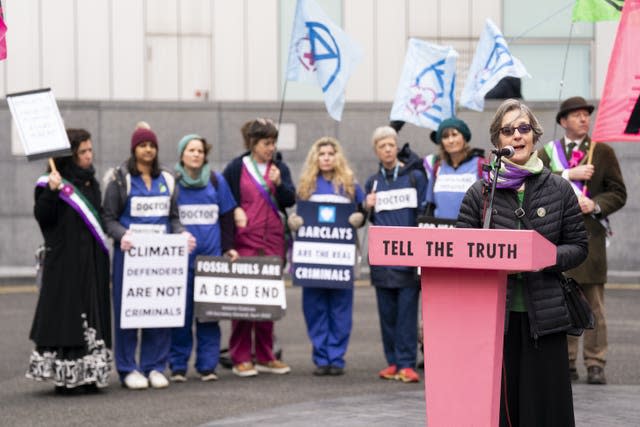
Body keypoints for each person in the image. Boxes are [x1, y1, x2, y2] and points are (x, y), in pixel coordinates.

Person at [457, 99, 588, 426]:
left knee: (543, 408)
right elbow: (461, 247)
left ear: (535, 136)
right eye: (508, 130)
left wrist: (542, 258)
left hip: (544, 317)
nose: (517, 135)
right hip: (494, 319)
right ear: (497, 141)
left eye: (524, 128)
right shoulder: (480, 193)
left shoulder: (558, 189)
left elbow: (578, 246)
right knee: (502, 407)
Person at [538, 96, 627, 385]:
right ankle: (566, 361)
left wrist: (596, 204)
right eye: (576, 115)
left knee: (594, 306)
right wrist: (567, 173)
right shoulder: (547, 153)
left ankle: (596, 360)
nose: (583, 119)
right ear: (563, 121)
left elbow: (618, 192)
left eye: (585, 115)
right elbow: (535, 180)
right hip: (557, 239)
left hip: (590, 240)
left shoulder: (602, 153)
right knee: (560, 304)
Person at [103, 124, 195, 390]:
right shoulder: (120, 179)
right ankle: (128, 367)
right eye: (143, 145)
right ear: (134, 149)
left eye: (152, 145)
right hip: (130, 257)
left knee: (160, 309)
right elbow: (107, 218)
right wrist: (122, 235)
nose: (148, 150)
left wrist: (182, 234)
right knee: (128, 311)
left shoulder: (166, 178)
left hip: (161, 258)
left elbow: (173, 217)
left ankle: (155, 366)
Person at [27, 128, 112, 392]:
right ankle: (67, 376)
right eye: (83, 152)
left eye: (90, 150)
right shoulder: (51, 183)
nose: (89, 156)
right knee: (68, 317)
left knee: (92, 314)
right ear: (71, 155)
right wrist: (52, 192)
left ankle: (90, 374)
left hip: (91, 260)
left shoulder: (90, 182)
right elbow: (43, 217)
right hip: (65, 261)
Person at [222, 118, 296, 377]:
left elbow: (289, 199)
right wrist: (236, 212)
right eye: (266, 143)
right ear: (253, 143)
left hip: (273, 239)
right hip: (246, 239)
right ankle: (240, 355)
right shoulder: (236, 167)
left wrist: (280, 184)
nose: (271, 148)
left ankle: (266, 354)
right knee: (243, 299)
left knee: (268, 298)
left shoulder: (280, 168)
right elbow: (226, 201)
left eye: (274, 142)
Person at [287, 137, 365, 376]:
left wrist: (359, 217)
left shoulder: (350, 184)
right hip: (313, 260)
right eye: (322, 154)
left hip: (339, 260)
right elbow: (297, 213)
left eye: (331, 153)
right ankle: (321, 357)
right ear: (315, 158)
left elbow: (365, 209)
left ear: (337, 157)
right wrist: (294, 222)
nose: (327, 158)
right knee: (315, 309)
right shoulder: (306, 185)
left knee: (341, 310)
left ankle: (336, 358)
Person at [168, 134, 238, 383]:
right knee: (181, 317)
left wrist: (228, 246)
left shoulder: (216, 181)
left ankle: (207, 366)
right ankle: (178, 366)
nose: (196, 154)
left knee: (209, 316)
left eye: (200, 150)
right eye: (191, 150)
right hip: (180, 262)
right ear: (182, 154)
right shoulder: (172, 183)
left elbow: (227, 216)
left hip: (210, 261)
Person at [364, 125, 427, 383]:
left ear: (397, 146)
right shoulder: (373, 182)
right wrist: (365, 206)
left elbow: (424, 212)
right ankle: (392, 362)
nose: (387, 149)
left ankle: (406, 363)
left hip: (409, 260)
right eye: (382, 146)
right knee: (387, 315)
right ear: (376, 151)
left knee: (406, 315)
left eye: (391, 144)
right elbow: (368, 218)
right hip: (381, 261)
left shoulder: (415, 177)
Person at [424, 117, 485, 220]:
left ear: (464, 138)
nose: (451, 140)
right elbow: (430, 205)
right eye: (445, 136)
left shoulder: (481, 164)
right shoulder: (437, 167)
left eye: (454, 135)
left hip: (470, 233)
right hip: (441, 233)